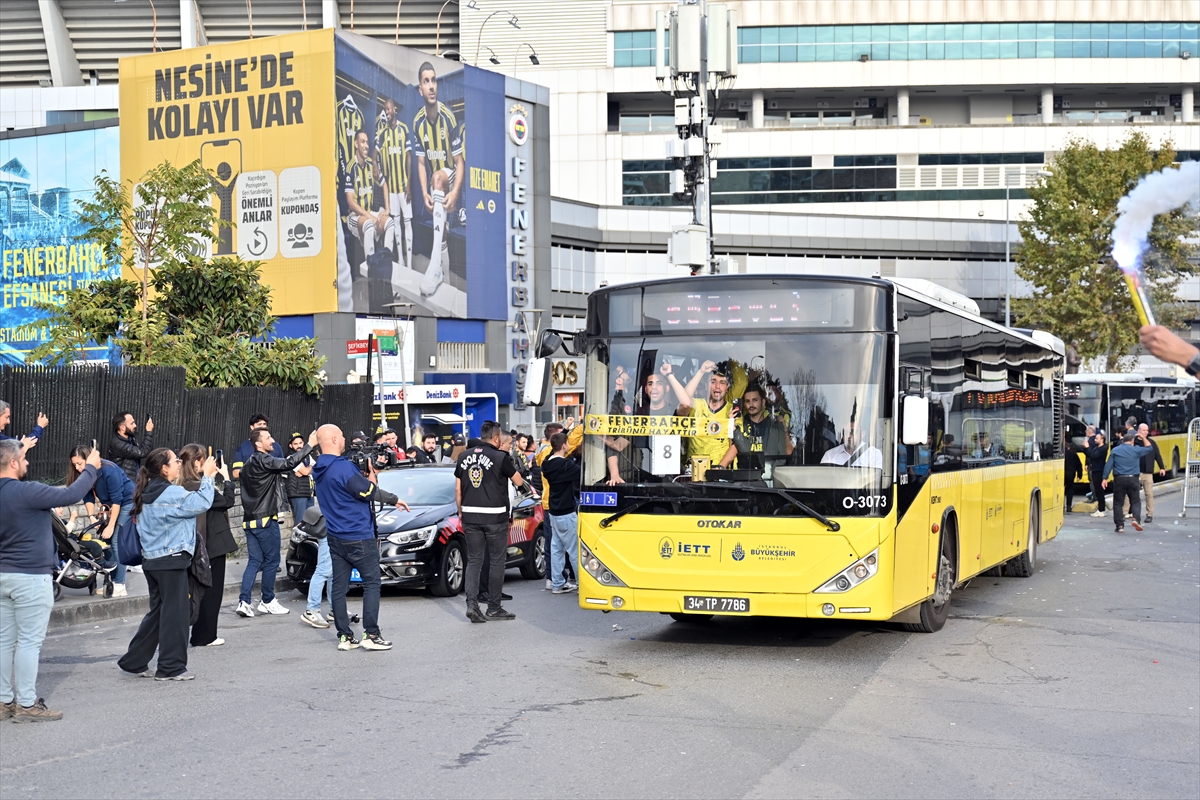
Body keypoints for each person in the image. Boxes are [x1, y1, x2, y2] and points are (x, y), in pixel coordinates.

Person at [0, 439, 99, 722]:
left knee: (4, 640)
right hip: (30, 576)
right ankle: (28, 704)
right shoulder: (27, 491)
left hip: (3, 575)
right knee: (29, 642)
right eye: (24, 458)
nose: (28, 462)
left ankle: (4, 700)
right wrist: (90, 468)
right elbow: (71, 495)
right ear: (14, 463)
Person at [117, 448, 216, 682]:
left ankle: (134, 661)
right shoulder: (170, 493)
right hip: (171, 560)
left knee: (159, 613)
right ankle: (170, 667)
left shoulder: (146, 491)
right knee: (176, 615)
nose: (179, 464)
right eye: (175, 461)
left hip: (152, 560)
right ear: (164, 468)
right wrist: (209, 477)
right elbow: (201, 502)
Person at [312, 424, 409, 651]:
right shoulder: (343, 468)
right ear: (335, 439)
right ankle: (371, 634)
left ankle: (345, 637)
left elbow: (349, 491)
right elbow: (367, 492)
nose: (345, 438)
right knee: (372, 583)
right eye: (342, 435)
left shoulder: (319, 468)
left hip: (335, 536)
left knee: (338, 586)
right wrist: (392, 497)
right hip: (357, 535)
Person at [236, 428, 315, 618]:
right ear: (258, 444)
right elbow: (289, 463)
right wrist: (310, 445)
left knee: (254, 561)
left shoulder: (247, 464)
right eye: (268, 438)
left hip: (249, 521)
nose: (273, 441)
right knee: (272, 560)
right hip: (265, 520)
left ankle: (244, 602)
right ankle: (268, 600)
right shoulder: (264, 460)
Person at [455, 421, 525, 623]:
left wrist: (461, 512)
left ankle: (472, 605)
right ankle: (494, 607)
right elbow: (518, 481)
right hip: (495, 517)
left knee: (474, 561)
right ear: (496, 438)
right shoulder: (500, 457)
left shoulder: (463, 456)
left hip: (470, 516)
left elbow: (458, 489)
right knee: (496, 561)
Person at [413, 60, 464, 297]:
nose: (432, 86)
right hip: (435, 186)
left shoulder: (448, 118)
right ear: (420, 89)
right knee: (440, 234)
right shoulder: (417, 123)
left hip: (450, 179)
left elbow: (460, 163)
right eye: (427, 81)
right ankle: (444, 274)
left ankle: (434, 268)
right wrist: (424, 192)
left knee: (437, 177)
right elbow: (421, 163)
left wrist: (454, 192)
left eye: (434, 80)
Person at [67, 445, 134, 597]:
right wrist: (91, 516)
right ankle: (112, 581)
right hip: (110, 506)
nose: (77, 468)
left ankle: (120, 584)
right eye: (74, 464)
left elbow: (118, 500)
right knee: (106, 541)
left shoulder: (109, 470)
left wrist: (111, 525)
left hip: (126, 502)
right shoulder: (86, 473)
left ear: (89, 459)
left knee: (116, 540)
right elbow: (88, 496)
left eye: (80, 463)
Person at [190, 452, 237, 649]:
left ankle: (201, 634)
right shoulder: (201, 486)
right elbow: (227, 501)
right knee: (212, 591)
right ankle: (205, 635)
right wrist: (226, 477)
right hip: (213, 543)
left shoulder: (186, 484)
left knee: (201, 589)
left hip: (202, 543)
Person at [534, 421, 582, 589]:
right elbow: (581, 473)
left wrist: (565, 432)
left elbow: (548, 456)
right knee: (574, 550)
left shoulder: (546, 465)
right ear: (563, 446)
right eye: (567, 443)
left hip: (553, 510)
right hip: (567, 511)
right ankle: (581, 584)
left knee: (556, 549)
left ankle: (557, 583)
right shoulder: (567, 466)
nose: (570, 445)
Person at [663, 360, 734, 469]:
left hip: (720, 474)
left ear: (727, 387)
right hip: (693, 472)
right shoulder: (697, 405)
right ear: (706, 385)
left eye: (722, 382)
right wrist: (701, 372)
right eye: (713, 381)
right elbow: (685, 402)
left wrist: (719, 469)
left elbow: (735, 445)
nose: (717, 386)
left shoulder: (732, 410)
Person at [345, 129, 394, 270]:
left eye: (367, 142)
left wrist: (387, 209)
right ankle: (371, 270)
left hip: (369, 213)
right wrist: (370, 217)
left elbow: (385, 184)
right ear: (356, 144)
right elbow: (350, 203)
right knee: (369, 224)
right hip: (355, 217)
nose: (366, 145)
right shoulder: (350, 168)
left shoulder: (371, 166)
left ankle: (386, 265)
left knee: (390, 223)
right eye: (362, 142)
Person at [376, 96, 415, 273]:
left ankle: (409, 265)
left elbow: (409, 156)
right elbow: (374, 152)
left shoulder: (404, 129)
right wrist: (376, 166)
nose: (387, 111)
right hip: (391, 188)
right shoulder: (383, 133)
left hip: (403, 186)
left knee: (407, 223)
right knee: (396, 222)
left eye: (389, 108)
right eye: (385, 109)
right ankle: (400, 259)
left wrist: (408, 183)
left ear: (395, 110)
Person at [720, 384, 794, 470]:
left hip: (771, 477)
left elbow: (787, 453)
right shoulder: (741, 425)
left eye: (755, 400)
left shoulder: (775, 425)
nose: (751, 404)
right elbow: (737, 451)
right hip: (746, 477)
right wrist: (732, 424)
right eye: (747, 401)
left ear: (763, 402)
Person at [1101, 432, 1153, 533]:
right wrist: (1143, 438)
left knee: (1118, 503)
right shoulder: (1136, 450)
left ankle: (1120, 526)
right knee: (1135, 501)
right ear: (1132, 441)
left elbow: (1108, 465)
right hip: (1133, 479)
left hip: (1119, 479)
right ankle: (1135, 519)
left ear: (1122, 441)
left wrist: (1104, 478)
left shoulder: (1115, 450)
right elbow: (1149, 448)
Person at [1123, 423, 1165, 524]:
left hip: (1147, 472)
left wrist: (1162, 467)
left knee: (1149, 494)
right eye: (1143, 430)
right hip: (1135, 472)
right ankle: (1124, 513)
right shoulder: (1134, 442)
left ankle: (1149, 514)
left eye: (1147, 430)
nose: (1145, 432)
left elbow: (1157, 456)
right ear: (1138, 431)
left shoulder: (1151, 443)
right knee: (1130, 494)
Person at [231, 414, 283, 480]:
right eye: (259, 424)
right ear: (252, 427)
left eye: (264, 424)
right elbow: (235, 473)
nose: (262, 426)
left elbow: (283, 469)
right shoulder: (242, 448)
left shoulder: (276, 446)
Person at [108, 410, 155, 481]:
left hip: (131, 482)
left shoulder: (130, 439)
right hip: (123, 485)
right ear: (122, 427)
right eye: (132, 423)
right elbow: (143, 452)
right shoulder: (118, 444)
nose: (135, 425)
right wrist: (149, 431)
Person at [285, 433, 316, 527]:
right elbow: (306, 472)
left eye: (300, 443)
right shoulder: (290, 457)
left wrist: (307, 470)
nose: (299, 446)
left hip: (309, 493)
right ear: (290, 445)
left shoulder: (307, 455)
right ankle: (296, 542)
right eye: (295, 444)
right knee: (300, 522)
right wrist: (309, 469)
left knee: (311, 522)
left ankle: (307, 541)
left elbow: (317, 468)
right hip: (298, 493)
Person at [1084, 428, 1109, 518]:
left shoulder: (1103, 448)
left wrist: (1087, 448)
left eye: (1096, 439)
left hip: (1099, 470)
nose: (1095, 440)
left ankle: (1101, 509)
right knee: (1097, 490)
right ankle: (1100, 508)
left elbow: (1094, 455)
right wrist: (1086, 448)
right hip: (1094, 469)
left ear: (1102, 439)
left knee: (1099, 491)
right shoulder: (1096, 447)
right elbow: (1089, 454)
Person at [1064, 431, 1083, 512]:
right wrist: (1080, 475)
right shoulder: (1073, 453)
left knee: (1060, 489)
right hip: (1070, 473)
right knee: (1070, 489)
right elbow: (1079, 465)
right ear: (1069, 447)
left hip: (1061, 473)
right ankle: (1068, 506)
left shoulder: (1060, 454)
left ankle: (1060, 506)